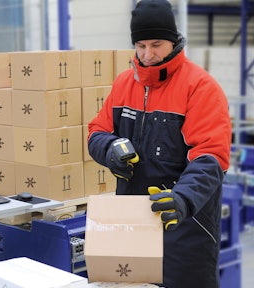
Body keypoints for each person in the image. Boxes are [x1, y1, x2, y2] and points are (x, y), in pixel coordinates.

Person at [87, 0, 232, 287]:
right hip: (133, 225)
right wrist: (111, 149)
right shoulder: (124, 83)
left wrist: (183, 199)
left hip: (186, 230)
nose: (148, 54)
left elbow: (211, 157)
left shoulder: (200, 87)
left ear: (173, 41)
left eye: (156, 45)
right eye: (140, 45)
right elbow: (96, 131)